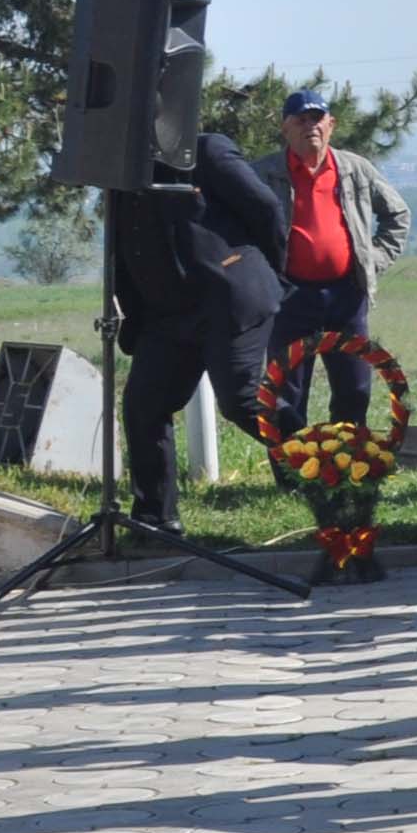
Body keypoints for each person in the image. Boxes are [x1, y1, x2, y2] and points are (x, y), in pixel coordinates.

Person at [104, 123, 289, 532]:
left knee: (242, 402)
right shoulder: (119, 174)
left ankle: (321, 466)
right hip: (166, 314)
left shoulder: (208, 151)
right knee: (143, 407)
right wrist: (133, 314)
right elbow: (124, 248)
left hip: (226, 300)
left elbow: (267, 209)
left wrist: (266, 272)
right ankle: (156, 520)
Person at [259, 88, 412, 428]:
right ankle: (293, 471)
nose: (309, 126)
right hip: (289, 297)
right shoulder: (264, 173)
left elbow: (398, 215)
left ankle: (347, 466)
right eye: (300, 119)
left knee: (354, 388)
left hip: (347, 295)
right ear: (285, 128)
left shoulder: (355, 169)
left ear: (331, 124)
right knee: (286, 391)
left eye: (317, 118)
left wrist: (372, 262)